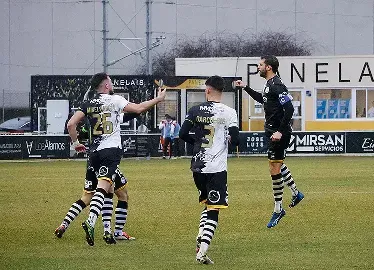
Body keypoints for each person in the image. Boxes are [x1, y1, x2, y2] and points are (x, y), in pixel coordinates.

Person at [66, 72, 166, 246]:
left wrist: (75, 144)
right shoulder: (115, 100)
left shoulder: (88, 103)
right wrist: (158, 100)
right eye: (110, 82)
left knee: (109, 191)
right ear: (106, 85)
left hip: (94, 154)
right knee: (104, 189)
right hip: (110, 151)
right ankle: (91, 221)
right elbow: (139, 109)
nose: (112, 84)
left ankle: (108, 230)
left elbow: (71, 124)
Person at [234, 55, 304, 228]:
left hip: (279, 133)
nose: (258, 67)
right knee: (277, 165)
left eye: (260, 65)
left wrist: (280, 131)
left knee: (274, 169)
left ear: (269, 67)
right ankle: (296, 193)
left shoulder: (278, 85)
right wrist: (246, 88)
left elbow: (289, 109)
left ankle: (278, 209)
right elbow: (263, 99)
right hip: (273, 132)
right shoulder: (269, 84)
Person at [179, 75, 239, 264]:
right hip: (216, 168)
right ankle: (202, 251)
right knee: (214, 208)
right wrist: (229, 139)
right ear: (221, 91)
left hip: (197, 167)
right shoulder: (229, 112)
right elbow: (237, 141)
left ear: (208, 90)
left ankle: (200, 235)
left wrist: (196, 141)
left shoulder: (195, 110)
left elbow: (182, 134)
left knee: (207, 202)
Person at [54, 113, 139, 244]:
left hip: (92, 162)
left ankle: (64, 225)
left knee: (86, 198)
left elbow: (73, 133)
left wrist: (77, 141)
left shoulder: (83, 127)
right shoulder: (101, 119)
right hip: (105, 160)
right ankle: (111, 231)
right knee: (119, 193)